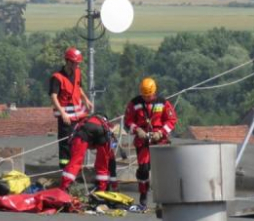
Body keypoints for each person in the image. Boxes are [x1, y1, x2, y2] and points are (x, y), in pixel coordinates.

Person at [124, 77, 177, 209]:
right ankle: (143, 197)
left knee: (161, 171)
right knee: (143, 170)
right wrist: (137, 130)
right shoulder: (134, 103)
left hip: (160, 141)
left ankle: (163, 199)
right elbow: (127, 121)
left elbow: (171, 120)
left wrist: (161, 133)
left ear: (154, 92)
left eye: (149, 95)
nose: (147, 98)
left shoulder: (163, 103)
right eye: (145, 95)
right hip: (143, 142)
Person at [49, 47, 94, 168]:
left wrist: (86, 100)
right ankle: (65, 169)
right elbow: (53, 97)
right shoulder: (57, 78)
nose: (77, 66)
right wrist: (62, 113)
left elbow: (79, 88)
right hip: (66, 117)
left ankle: (75, 166)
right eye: (75, 63)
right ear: (68, 61)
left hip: (78, 114)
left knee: (79, 141)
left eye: (78, 63)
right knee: (65, 143)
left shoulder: (78, 73)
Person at [59, 114, 114, 192]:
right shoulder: (106, 125)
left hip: (85, 131)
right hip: (103, 131)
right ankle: (102, 190)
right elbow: (110, 155)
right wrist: (114, 185)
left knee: (74, 163)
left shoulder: (83, 123)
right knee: (103, 166)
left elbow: (74, 147)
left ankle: (63, 188)